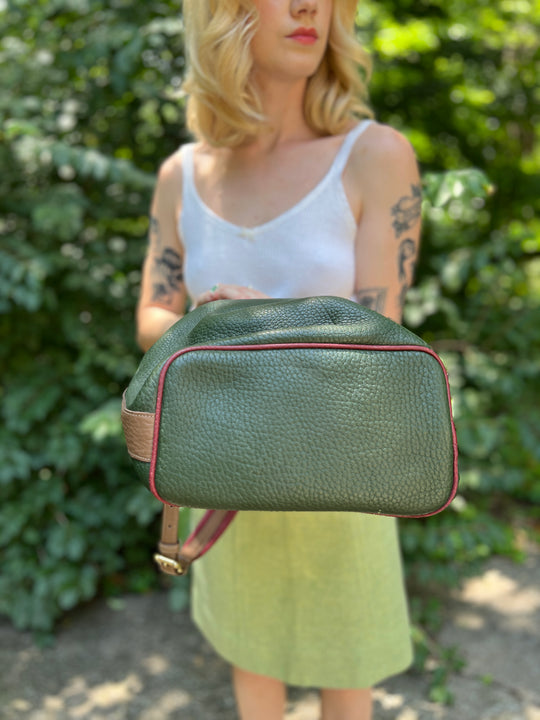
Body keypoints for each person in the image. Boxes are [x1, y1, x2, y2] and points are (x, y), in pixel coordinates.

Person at [136, 1, 422, 718]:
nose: (309, 7)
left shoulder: (376, 155)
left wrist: (256, 321)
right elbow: (152, 316)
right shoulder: (182, 174)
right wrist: (205, 321)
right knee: (250, 666)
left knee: (346, 675)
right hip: (223, 467)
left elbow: (382, 331)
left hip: (343, 468)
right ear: (224, 14)